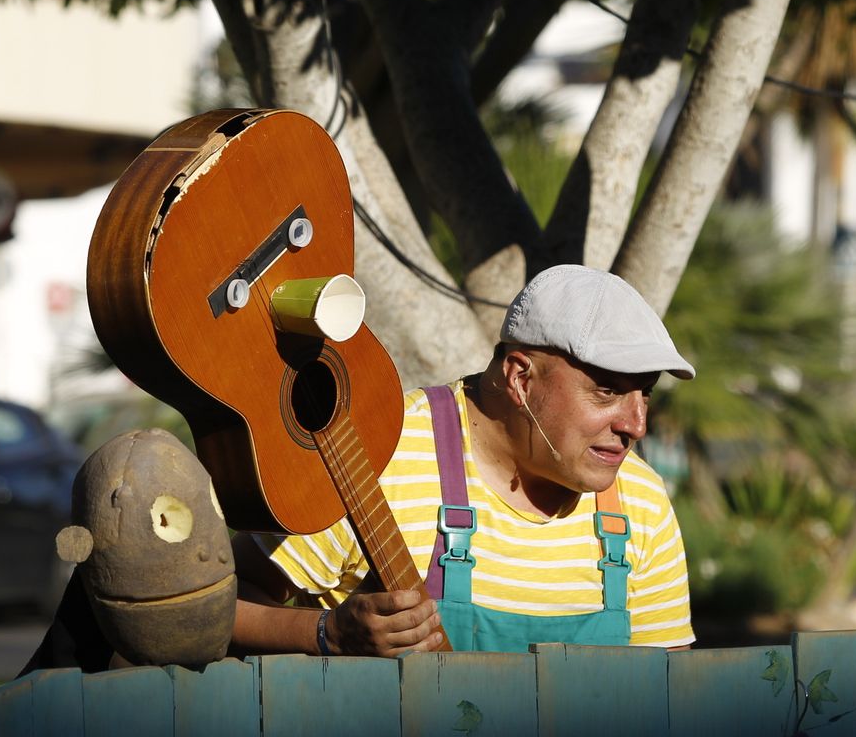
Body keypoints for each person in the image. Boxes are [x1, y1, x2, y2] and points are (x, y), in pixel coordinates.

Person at [231, 264, 698, 656]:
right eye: (608, 391)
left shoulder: (641, 501)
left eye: (645, 395)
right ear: (520, 379)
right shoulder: (382, 456)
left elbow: (668, 703)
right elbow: (221, 604)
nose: (636, 425)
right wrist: (328, 634)